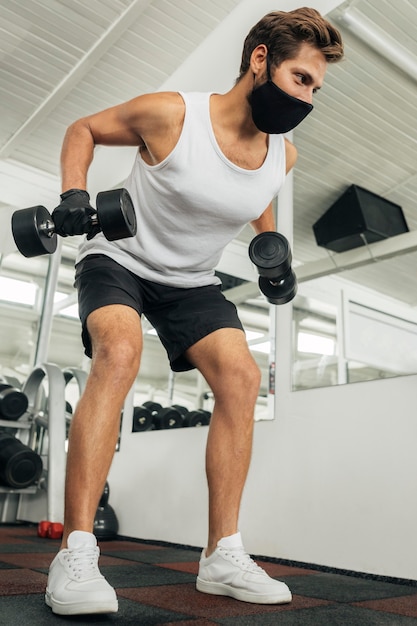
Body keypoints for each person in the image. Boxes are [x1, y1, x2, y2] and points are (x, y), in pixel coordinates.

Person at [45, 7, 343, 616]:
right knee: (120, 351)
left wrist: (269, 247)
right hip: (120, 259)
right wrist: (75, 193)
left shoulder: (281, 157)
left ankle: (221, 555)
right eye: (300, 78)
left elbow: (258, 195)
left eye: (315, 87)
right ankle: (75, 552)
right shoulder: (173, 114)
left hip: (190, 281)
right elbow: (83, 128)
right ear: (260, 60)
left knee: (242, 378)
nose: (308, 97)